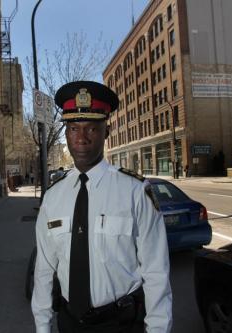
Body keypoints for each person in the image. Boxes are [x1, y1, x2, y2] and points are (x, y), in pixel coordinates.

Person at [31, 81, 172, 332]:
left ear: (106, 131)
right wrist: (43, 327)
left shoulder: (135, 191)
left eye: (92, 129)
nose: (82, 138)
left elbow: (156, 271)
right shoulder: (53, 197)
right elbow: (44, 270)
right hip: (69, 322)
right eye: (74, 128)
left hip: (121, 323)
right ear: (66, 134)